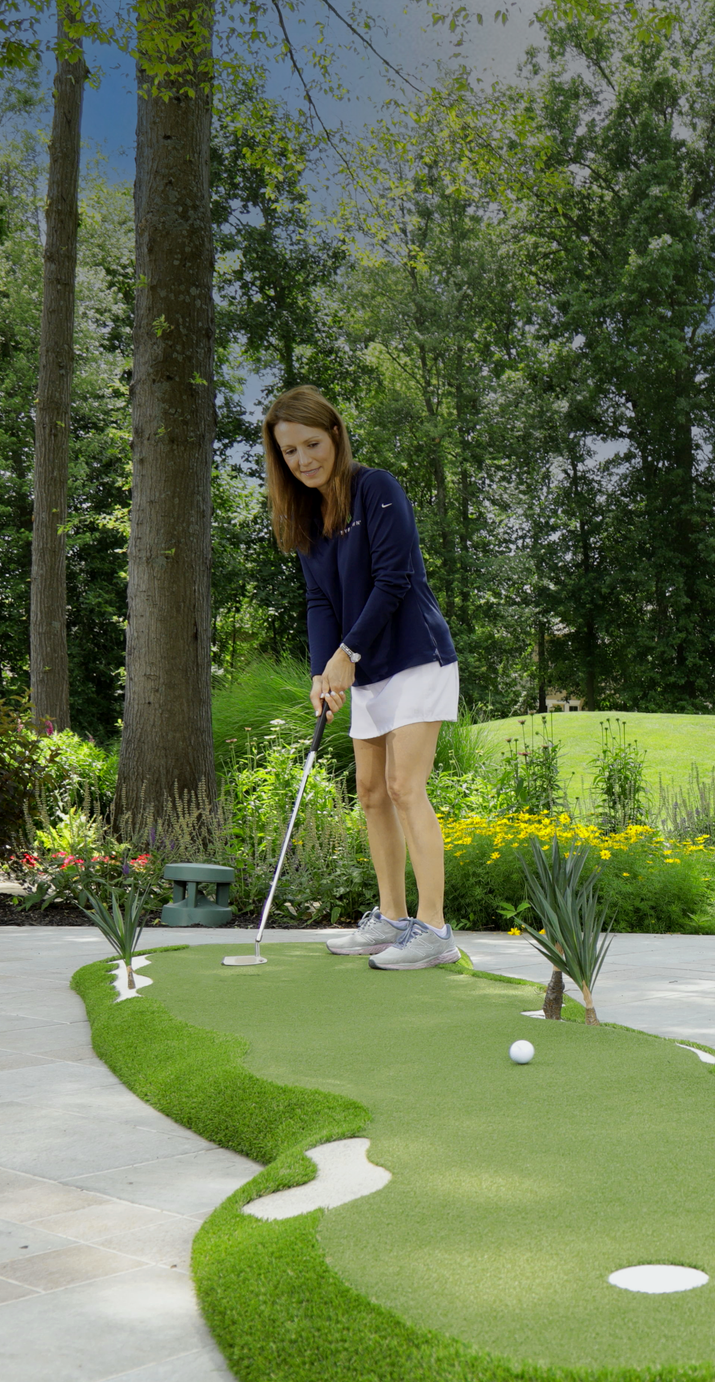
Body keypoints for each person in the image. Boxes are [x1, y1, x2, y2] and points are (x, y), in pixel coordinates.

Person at [262, 386, 461, 971]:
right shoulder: (305, 517)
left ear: (336, 436)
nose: (303, 459)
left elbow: (394, 579)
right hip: (365, 667)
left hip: (416, 659)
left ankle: (435, 930)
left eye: (312, 444)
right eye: (290, 451)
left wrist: (348, 652)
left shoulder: (377, 488)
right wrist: (325, 671)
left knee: (404, 787)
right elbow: (319, 601)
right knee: (371, 793)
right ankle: (392, 920)